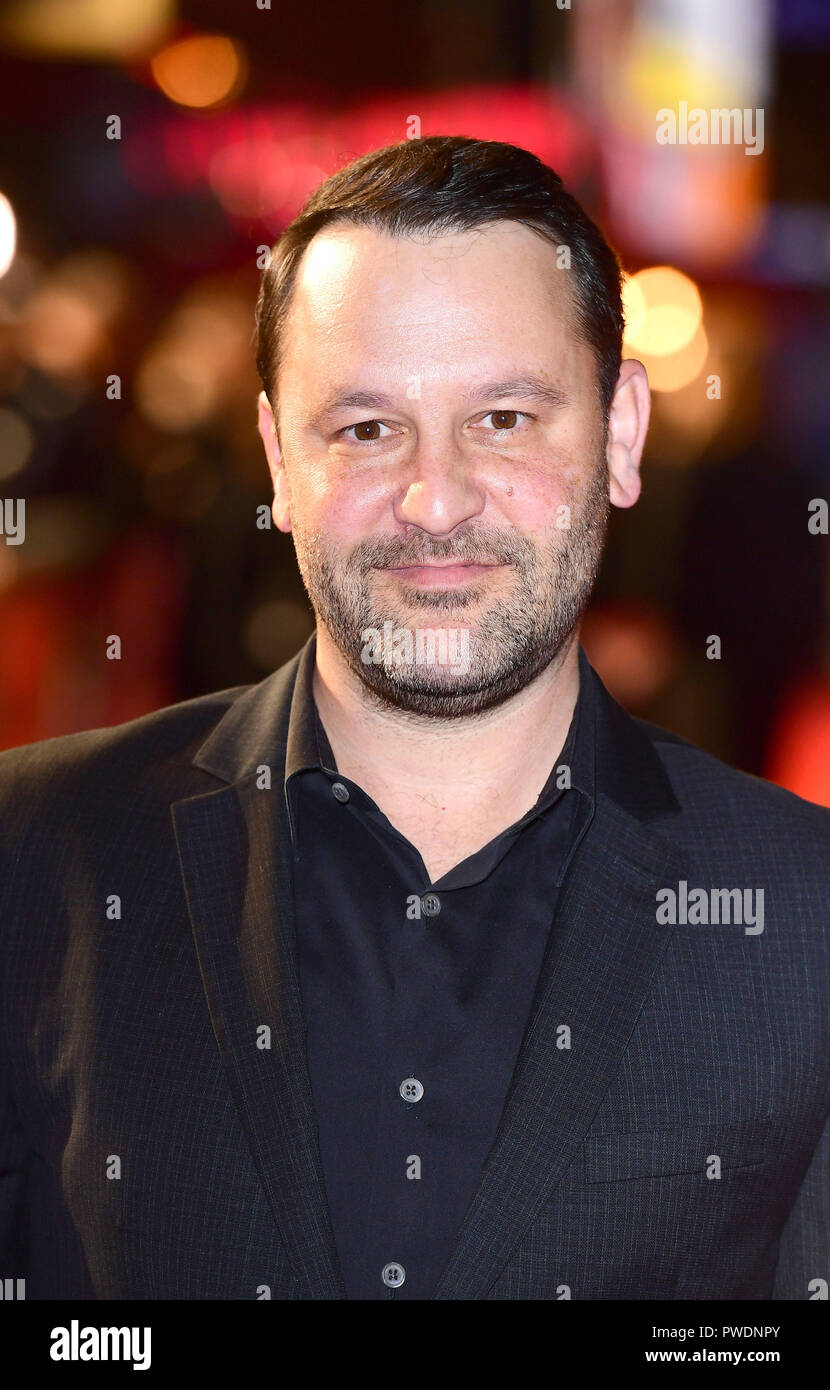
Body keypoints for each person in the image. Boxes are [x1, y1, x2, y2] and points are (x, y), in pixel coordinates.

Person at [0, 135, 828, 1302]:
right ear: (278, 460)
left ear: (620, 435)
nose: (434, 500)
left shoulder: (803, 919)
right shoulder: (33, 858)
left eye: (501, 417)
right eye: (365, 428)